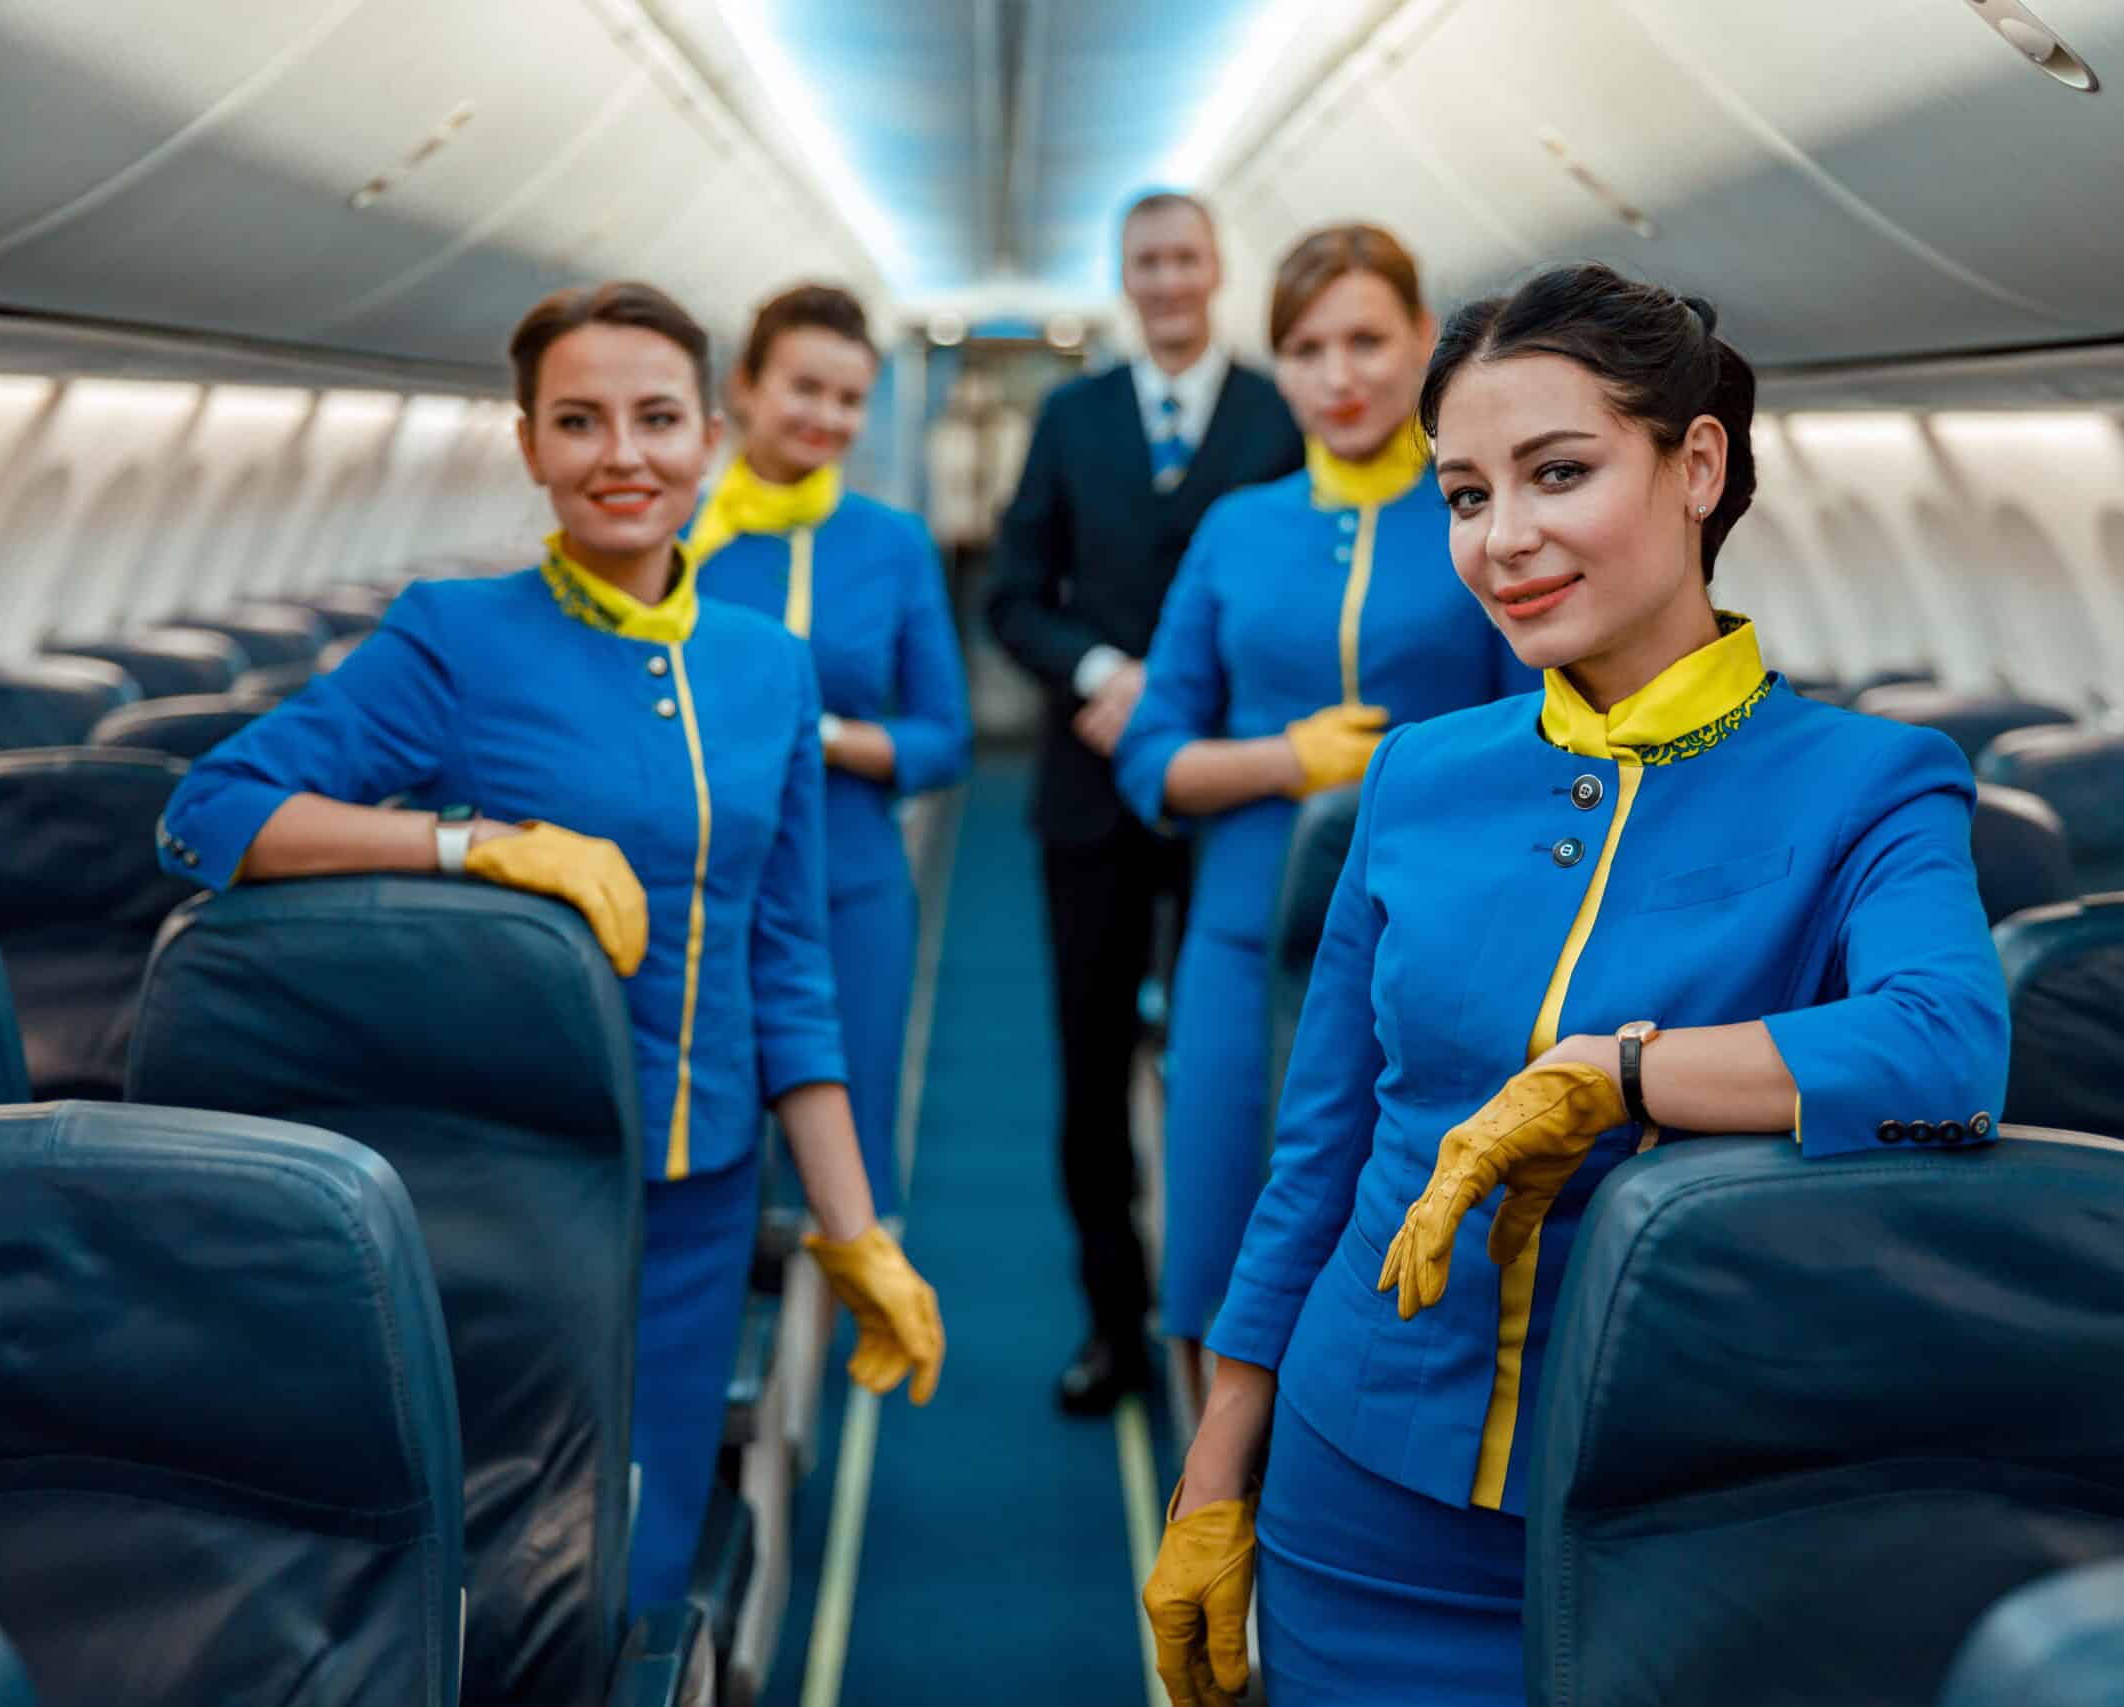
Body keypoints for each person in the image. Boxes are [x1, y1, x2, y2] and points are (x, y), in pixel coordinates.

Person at [1141, 264, 2011, 1707]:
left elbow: (1946, 1060)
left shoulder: (1871, 784)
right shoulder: (1419, 775)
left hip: (1674, 1503)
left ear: (1698, 465)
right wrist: (1220, 1460)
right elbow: (1319, 1157)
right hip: (1359, 1489)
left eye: (1559, 473)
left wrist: (1616, 1073)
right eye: (1467, 495)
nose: (1505, 539)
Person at [159, 280, 946, 1617]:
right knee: (473, 1567)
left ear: (709, 434)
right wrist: (469, 843)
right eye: (578, 421)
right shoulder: (453, 638)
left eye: (653, 419)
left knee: (628, 1566)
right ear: (529, 445)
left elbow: (791, 969)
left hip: (696, 1190)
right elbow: (206, 812)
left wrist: (853, 1226)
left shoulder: (769, 670)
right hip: (493, 1184)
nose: (620, 455)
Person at [1112, 224, 1529, 1398]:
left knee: (1399, 1251)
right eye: (1304, 348)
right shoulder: (1236, 530)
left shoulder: (1479, 520)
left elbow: (1539, 742)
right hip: (1243, 944)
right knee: (1215, 1241)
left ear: (1421, 344)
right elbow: (1151, 763)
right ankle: (1214, 1516)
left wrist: (1407, 775)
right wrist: (1279, 761)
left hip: (1436, 952)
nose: (1335, 376)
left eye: (1364, 341)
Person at [986, 190, 1306, 1414]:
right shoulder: (1069, 419)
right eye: (1146, 263)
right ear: (1123, 278)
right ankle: (1113, 1325)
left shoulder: (1285, 411)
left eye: (1185, 258)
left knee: (1250, 1064)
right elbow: (1016, 594)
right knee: (1088, 1063)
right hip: (1089, 789)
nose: (1168, 281)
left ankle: (1249, 1330)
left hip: (1242, 793)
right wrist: (1101, 673)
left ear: (1218, 267)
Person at [687, 282, 974, 1220]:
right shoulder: (676, 537)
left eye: (849, 399)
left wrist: (828, 740)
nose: (827, 417)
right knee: (707, 1141)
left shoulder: (892, 544)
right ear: (745, 387)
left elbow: (944, 736)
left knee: (847, 1145)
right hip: (700, 888)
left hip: (850, 884)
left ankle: (836, 1352)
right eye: (804, 389)